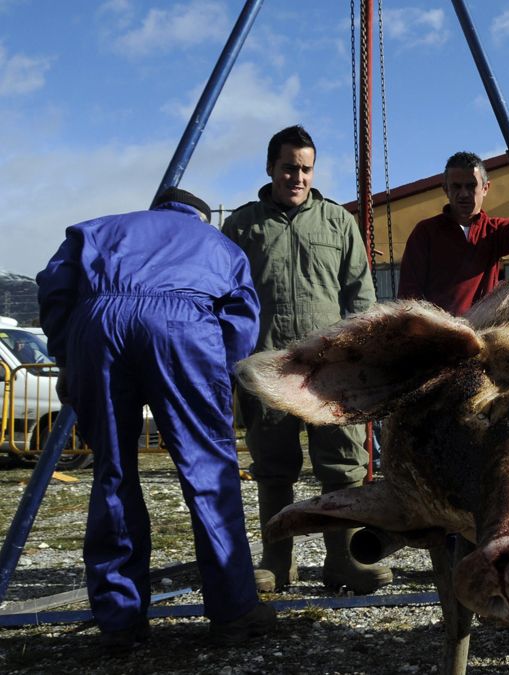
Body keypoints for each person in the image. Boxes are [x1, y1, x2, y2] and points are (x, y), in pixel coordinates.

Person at [36, 188, 275, 650]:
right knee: (209, 473)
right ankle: (234, 612)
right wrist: (214, 380)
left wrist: (70, 353)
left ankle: (120, 621)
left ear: (156, 210)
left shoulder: (97, 229)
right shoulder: (216, 243)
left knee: (113, 473)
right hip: (182, 325)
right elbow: (242, 316)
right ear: (199, 216)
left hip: (98, 322)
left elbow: (55, 284)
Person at [222, 125, 389, 595]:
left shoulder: (338, 224)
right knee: (274, 468)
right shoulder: (242, 225)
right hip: (270, 369)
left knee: (342, 467)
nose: (298, 177)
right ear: (271, 168)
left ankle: (345, 561)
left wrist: (359, 358)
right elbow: (228, 298)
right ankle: (277, 562)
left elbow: (360, 295)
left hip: (329, 373)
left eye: (306, 168)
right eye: (289, 167)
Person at [396, 141, 509, 316]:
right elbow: (408, 292)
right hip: (437, 335)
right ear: (446, 189)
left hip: (481, 334)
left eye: (471, 186)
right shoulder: (426, 233)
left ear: (485, 188)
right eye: (456, 186)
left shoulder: (493, 232)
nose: (464, 194)